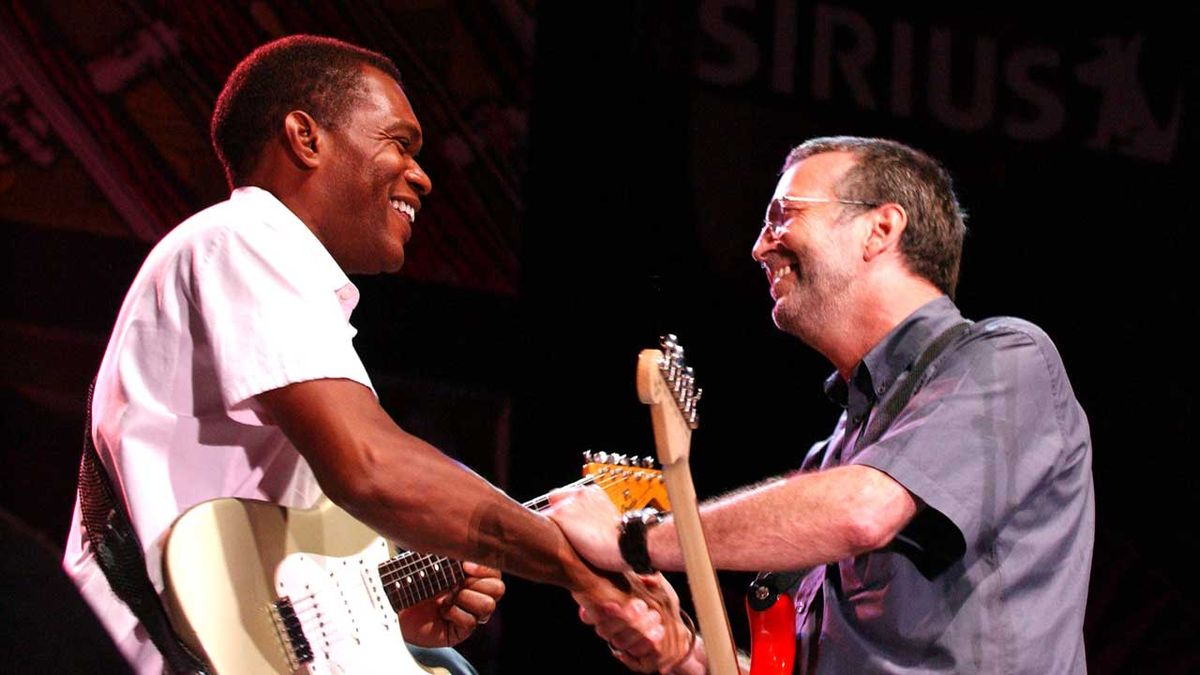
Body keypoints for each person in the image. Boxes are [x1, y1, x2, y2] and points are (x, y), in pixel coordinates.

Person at [62, 35, 685, 674]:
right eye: (400, 143)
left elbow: (284, 549)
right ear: (306, 138)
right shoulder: (246, 237)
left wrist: (376, 602)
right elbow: (369, 466)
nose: (423, 174)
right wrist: (575, 565)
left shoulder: (271, 279)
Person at [549, 136, 1095, 674]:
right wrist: (683, 652)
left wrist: (637, 539)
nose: (760, 247)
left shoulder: (1008, 358)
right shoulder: (835, 454)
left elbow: (864, 510)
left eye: (782, 215)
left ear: (880, 229)